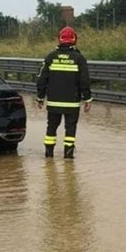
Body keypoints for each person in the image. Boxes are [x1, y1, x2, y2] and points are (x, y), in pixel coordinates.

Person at [36, 26, 93, 159]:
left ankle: (49, 156)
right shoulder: (79, 58)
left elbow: (41, 79)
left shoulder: (51, 57)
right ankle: (68, 158)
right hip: (72, 103)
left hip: (53, 103)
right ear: (74, 40)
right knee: (70, 129)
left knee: (51, 128)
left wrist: (40, 97)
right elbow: (84, 81)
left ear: (59, 39)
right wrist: (87, 99)